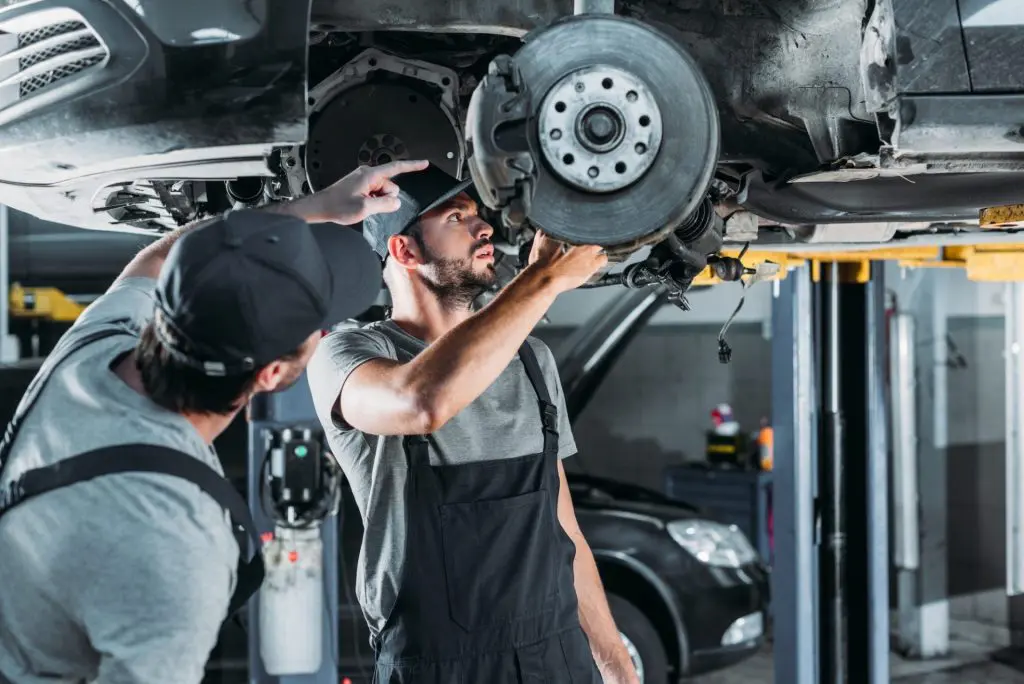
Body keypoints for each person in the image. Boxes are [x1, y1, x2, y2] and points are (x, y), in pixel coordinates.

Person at [0, 159, 429, 684]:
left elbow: (162, 254)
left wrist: (307, 211)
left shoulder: (94, 350)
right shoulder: (177, 549)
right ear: (272, 373)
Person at [307, 164, 640, 683]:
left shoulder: (533, 360)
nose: (484, 228)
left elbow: (563, 527)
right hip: (439, 666)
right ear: (405, 252)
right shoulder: (349, 354)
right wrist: (542, 278)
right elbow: (421, 404)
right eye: (457, 217)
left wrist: (616, 663)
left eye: (479, 216)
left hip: (554, 656)